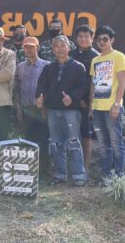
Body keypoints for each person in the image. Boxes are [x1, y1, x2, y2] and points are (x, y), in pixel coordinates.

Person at [36, 35, 88, 186]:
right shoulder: (48, 68)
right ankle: (59, 175)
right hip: (52, 110)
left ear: (68, 47)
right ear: (53, 50)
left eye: (62, 46)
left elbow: (83, 86)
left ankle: (78, 176)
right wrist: (39, 97)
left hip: (71, 111)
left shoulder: (78, 67)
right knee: (56, 143)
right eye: (56, 46)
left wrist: (72, 97)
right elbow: (41, 85)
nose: (59, 49)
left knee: (73, 142)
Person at [89, 25, 125, 179]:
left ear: (112, 40)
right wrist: (91, 106)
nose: (101, 42)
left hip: (112, 107)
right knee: (103, 145)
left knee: (116, 143)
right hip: (97, 108)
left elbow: (122, 82)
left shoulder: (119, 56)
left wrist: (117, 104)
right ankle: (106, 177)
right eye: (99, 39)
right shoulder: (95, 60)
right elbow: (93, 84)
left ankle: (119, 178)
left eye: (105, 39)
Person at [13, 36, 51, 178]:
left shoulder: (46, 65)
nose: (28, 49)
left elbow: (50, 88)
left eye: (31, 47)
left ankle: (44, 173)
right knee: (29, 140)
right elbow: (17, 90)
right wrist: (18, 108)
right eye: (26, 47)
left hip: (41, 109)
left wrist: (45, 106)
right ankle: (30, 172)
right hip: (26, 109)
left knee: (44, 140)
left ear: (37, 48)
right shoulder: (20, 67)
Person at [70, 25, 100, 175]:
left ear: (92, 38)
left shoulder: (96, 56)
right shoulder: (71, 54)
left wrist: (87, 102)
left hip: (87, 103)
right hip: (71, 101)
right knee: (71, 135)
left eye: (86, 36)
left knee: (86, 135)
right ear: (76, 38)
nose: (83, 39)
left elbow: (95, 82)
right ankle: (73, 168)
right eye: (80, 36)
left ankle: (85, 170)